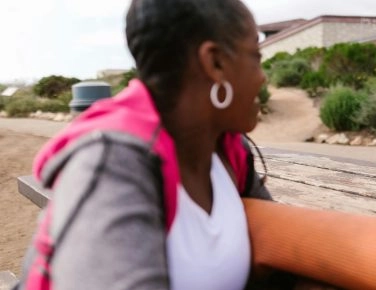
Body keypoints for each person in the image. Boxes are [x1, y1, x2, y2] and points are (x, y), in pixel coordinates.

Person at [16, 0, 277, 289]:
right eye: (256, 55)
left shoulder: (227, 149)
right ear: (215, 62)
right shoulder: (112, 166)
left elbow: (282, 258)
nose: (262, 76)